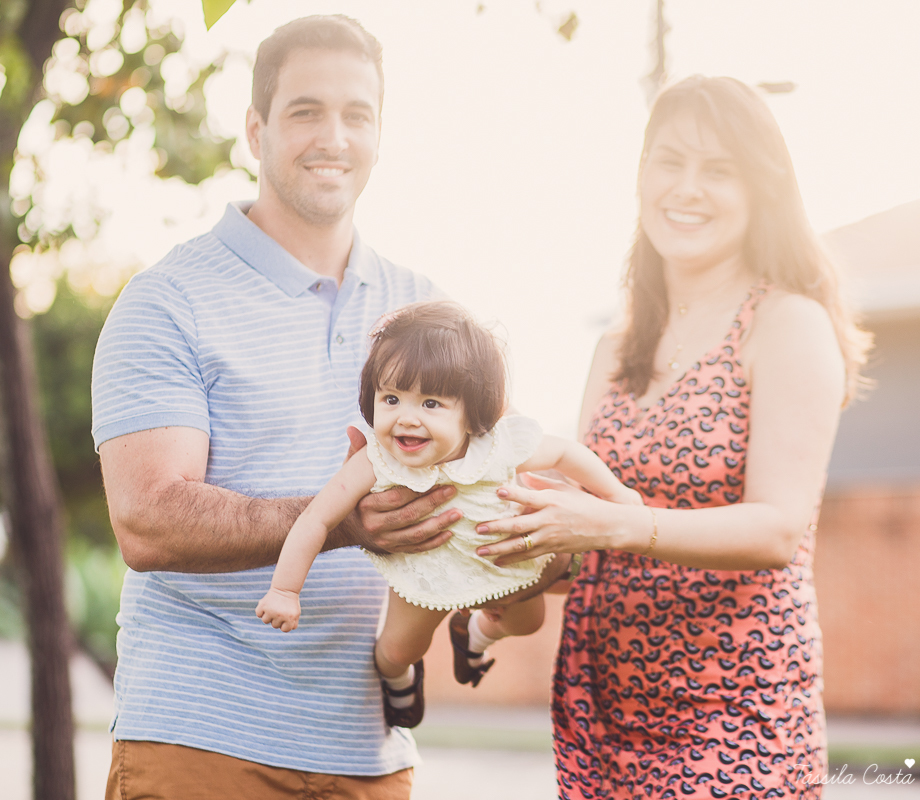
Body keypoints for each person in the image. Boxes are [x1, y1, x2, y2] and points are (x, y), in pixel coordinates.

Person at [93, 16, 568, 800]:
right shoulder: (167, 302)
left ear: (381, 134)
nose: (333, 137)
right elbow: (146, 520)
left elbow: (494, 478)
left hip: (367, 754)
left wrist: (538, 549)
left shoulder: (430, 313)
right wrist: (345, 521)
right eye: (305, 111)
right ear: (256, 129)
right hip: (200, 743)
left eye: (358, 114)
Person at [473, 76, 871, 799]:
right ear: (641, 175)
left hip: (734, 717)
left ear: (761, 190)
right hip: (602, 713)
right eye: (669, 161)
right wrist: (501, 558)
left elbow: (778, 529)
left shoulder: (785, 324)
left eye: (718, 170)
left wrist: (610, 524)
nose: (687, 188)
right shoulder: (617, 347)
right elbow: (591, 537)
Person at [255, 302, 640, 728]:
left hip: (497, 562)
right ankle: (398, 678)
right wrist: (285, 590)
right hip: (426, 567)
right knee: (401, 649)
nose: (406, 417)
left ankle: (472, 636)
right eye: (391, 398)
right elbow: (316, 519)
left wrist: (616, 495)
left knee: (529, 622)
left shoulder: (499, 445)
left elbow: (569, 452)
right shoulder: (377, 462)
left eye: (431, 403)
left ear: (473, 409)